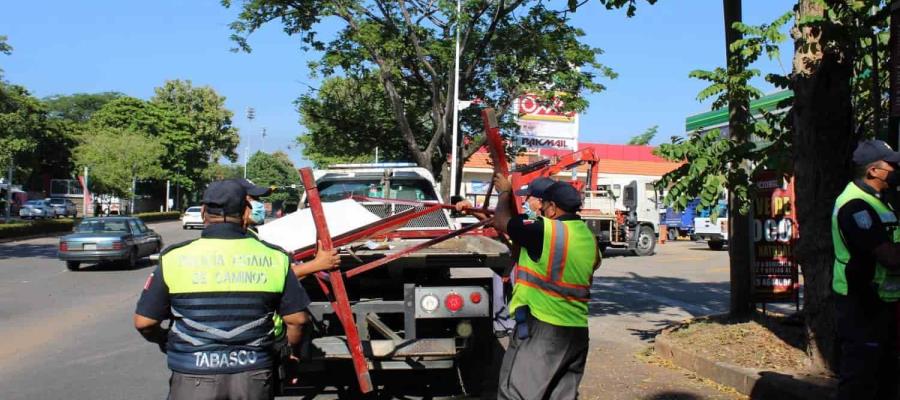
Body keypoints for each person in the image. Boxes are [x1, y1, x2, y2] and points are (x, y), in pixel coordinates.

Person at [133, 179, 311, 400]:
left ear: (203, 213)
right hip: (253, 375)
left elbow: (145, 322)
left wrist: (166, 341)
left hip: (192, 375)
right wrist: (289, 354)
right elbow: (297, 320)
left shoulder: (174, 257)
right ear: (246, 213)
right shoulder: (275, 257)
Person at [490, 173, 600, 400]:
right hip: (577, 332)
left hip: (544, 329)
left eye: (544, 206)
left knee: (517, 394)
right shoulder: (589, 237)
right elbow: (593, 263)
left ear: (551, 208)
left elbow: (502, 222)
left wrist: (504, 193)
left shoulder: (543, 229)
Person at [832, 139, 900, 400]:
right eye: (892, 165)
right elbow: (890, 258)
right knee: (860, 380)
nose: (896, 169)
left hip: (881, 301)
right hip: (860, 303)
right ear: (873, 170)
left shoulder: (879, 200)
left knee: (884, 376)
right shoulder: (855, 206)